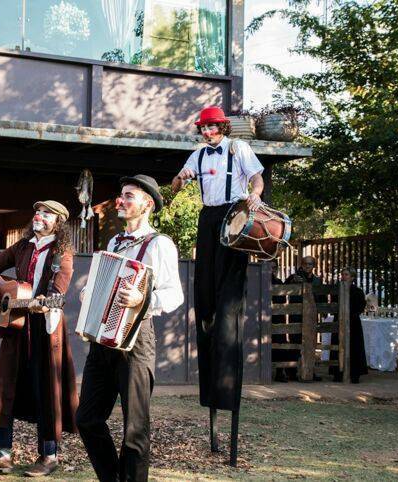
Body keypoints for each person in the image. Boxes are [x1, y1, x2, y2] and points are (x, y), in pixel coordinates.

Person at [75, 175, 183, 482]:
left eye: (128, 196)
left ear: (147, 204)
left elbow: (174, 295)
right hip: (103, 340)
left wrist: (141, 299)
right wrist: (91, 292)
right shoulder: (114, 241)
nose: (120, 201)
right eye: (121, 195)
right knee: (87, 419)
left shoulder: (159, 244)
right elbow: (107, 284)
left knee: (135, 429)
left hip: (137, 342)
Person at [171, 106, 264, 455]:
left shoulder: (238, 149)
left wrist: (255, 194)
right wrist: (177, 183)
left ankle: (228, 373)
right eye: (203, 128)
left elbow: (257, 179)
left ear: (221, 127)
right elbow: (180, 180)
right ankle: (210, 388)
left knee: (228, 305)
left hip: (233, 211)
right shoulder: (197, 154)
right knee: (205, 297)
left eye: (212, 128)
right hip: (209, 217)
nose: (207, 133)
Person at [0, 201, 78, 477]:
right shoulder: (22, 247)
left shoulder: (61, 252)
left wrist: (45, 301)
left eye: (46, 213)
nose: (39, 216)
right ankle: (2, 455)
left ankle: (49, 455)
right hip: (16, 327)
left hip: (46, 329)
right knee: (4, 386)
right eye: (37, 212)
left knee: (47, 389)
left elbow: (58, 288)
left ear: (58, 222)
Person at [284, 256, 322, 381]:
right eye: (305, 263)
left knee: (310, 343)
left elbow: (320, 297)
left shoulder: (317, 280)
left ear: (314, 266)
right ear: (301, 264)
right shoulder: (295, 277)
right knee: (295, 342)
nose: (307, 266)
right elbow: (284, 288)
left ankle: (310, 370)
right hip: (297, 315)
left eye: (310, 264)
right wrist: (292, 281)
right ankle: (291, 371)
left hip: (311, 315)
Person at [330, 268, 368, 383]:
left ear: (352, 277)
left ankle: (355, 374)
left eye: (346, 275)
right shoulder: (337, 290)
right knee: (338, 345)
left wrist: (350, 315)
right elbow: (333, 305)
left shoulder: (358, 291)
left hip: (353, 322)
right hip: (339, 321)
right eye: (342, 274)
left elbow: (361, 307)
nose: (343, 276)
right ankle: (338, 373)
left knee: (354, 347)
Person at [270, 261, 292, 382]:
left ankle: (279, 372)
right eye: (269, 267)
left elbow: (282, 299)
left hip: (278, 317)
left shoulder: (279, 282)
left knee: (280, 344)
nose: (272, 270)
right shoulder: (258, 281)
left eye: (274, 267)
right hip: (264, 317)